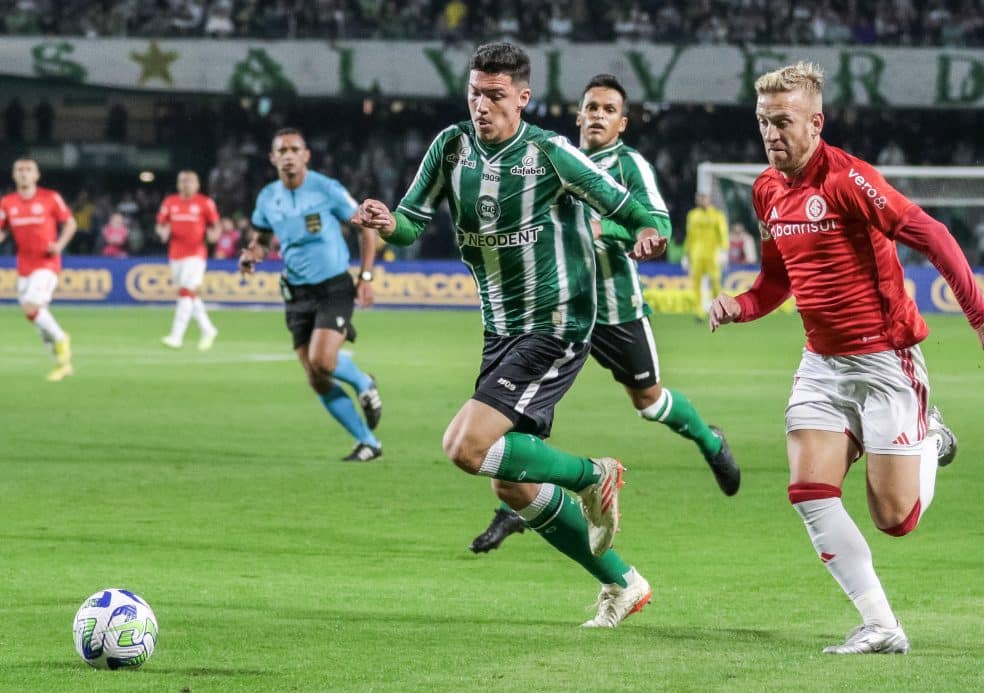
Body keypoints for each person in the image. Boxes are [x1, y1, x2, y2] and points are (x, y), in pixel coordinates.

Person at [356, 42, 667, 628]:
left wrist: (650, 232)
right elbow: (412, 222)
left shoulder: (551, 153)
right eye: (475, 92)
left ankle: (595, 475)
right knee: (513, 487)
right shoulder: (451, 148)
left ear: (523, 98)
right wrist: (386, 222)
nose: (482, 105)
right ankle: (624, 583)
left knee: (463, 446)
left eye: (495, 95)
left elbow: (623, 203)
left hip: (556, 323)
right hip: (500, 329)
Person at [709, 61, 984, 654]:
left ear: (815, 122)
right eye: (763, 123)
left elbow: (931, 233)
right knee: (809, 493)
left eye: (783, 122)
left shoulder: (848, 179)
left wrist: (979, 314)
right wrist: (740, 306)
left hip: (884, 362)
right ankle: (881, 625)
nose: (771, 134)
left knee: (893, 519)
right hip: (821, 365)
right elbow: (776, 281)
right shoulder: (765, 190)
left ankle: (930, 435)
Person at [469, 73, 740, 555]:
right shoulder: (541, 157)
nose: (597, 115)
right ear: (578, 116)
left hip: (615, 310)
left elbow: (655, 222)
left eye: (608, 110)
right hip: (552, 313)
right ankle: (514, 506)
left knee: (650, 403)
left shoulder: (628, 165)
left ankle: (708, 438)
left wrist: (617, 233)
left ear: (622, 124)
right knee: (520, 414)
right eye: (591, 107)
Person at [239, 128, 383, 462]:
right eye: (281, 150)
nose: (288, 155)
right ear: (272, 158)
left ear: (306, 155)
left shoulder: (326, 189)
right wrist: (251, 255)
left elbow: (365, 227)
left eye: (294, 149)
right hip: (295, 292)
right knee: (316, 379)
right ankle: (368, 443)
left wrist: (365, 276)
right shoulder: (267, 197)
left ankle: (363, 382)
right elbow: (261, 240)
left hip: (333, 287)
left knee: (322, 361)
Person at [0, 157, 77, 381]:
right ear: (14, 175)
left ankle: (62, 338)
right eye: (19, 170)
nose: (24, 173)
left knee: (31, 307)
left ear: (36, 175)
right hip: (24, 266)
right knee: (36, 319)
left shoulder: (50, 198)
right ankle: (62, 364)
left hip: (46, 264)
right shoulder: (7, 203)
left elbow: (70, 223)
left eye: (28, 170)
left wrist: (60, 245)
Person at [156, 170, 222, 350]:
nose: (186, 184)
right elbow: (161, 224)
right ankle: (208, 329)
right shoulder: (170, 202)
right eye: (182, 181)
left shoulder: (205, 203)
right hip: (175, 253)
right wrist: (162, 232)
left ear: (197, 184)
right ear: (178, 184)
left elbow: (216, 225)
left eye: (190, 181)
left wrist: (214, 236)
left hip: (196, 253)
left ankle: (176, 337)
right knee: (190, 294)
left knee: (186, 292)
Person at [683, 191, 728, 318]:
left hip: (712, 254)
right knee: (696, 284)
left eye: (704, 198)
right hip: (696, 255)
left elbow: (723, 233)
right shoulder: (692, 215)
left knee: (715, 283)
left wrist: (723, 251)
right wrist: (686, 254)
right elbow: (689, 235)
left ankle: (718, 310)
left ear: (709, 199)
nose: (702, 200)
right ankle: (699, 312)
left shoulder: (717, 215)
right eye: (700, 198)